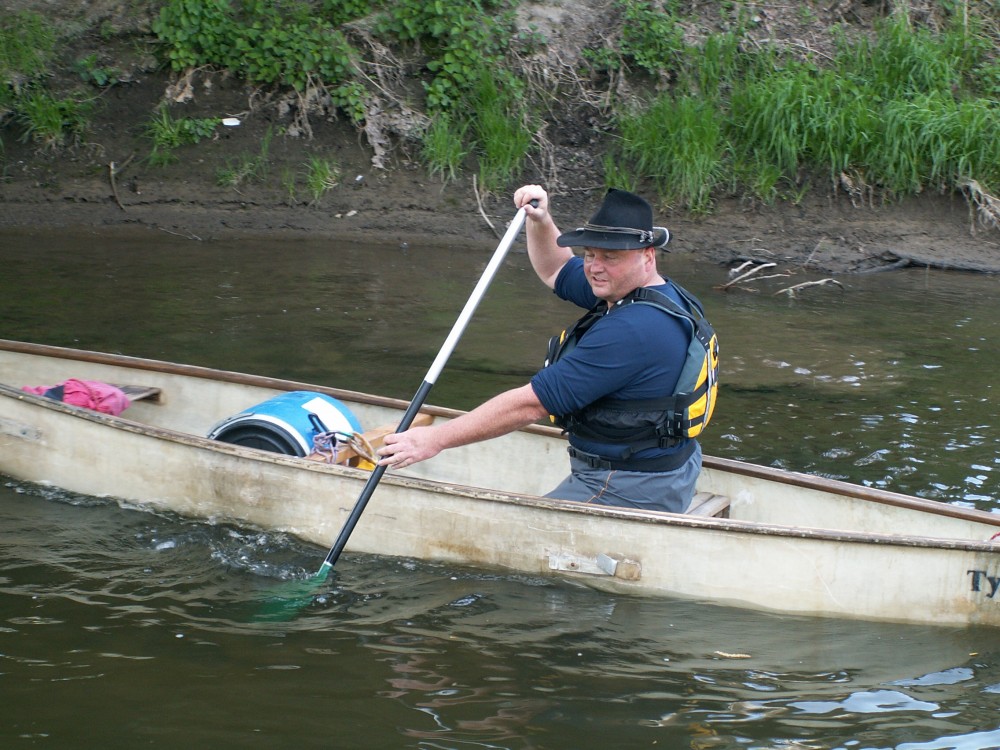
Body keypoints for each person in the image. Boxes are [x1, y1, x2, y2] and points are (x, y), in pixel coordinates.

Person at [377, 184, 717, 513]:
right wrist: (540, 220)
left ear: (647, 256)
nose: (595, 267)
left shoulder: (633, 330)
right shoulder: (649, 292)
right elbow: (556, 269)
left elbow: (531, 404)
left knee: (514, 537)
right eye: (590, 254)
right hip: (667, 469)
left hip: (626, 484)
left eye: (610, 257)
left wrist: (434, 440)